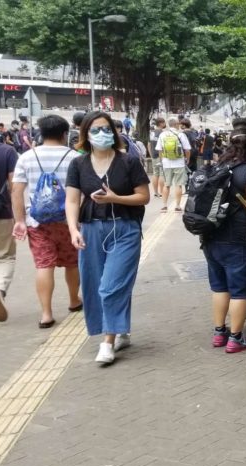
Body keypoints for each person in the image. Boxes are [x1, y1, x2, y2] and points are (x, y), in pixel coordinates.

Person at [65, 111, 151, 364]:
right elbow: (71, 200)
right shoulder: (78, 164)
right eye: (95, 130)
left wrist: (115, 198)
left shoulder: (128, 162)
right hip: (91, 229)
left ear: (114, 133)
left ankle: (108, 340)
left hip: (125, 229)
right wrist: (73, 229)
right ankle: (119, 326)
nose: (101, 134)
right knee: (93, 285)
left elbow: (144, 196)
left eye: (106, 129)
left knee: (111, 285)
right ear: (85, 135)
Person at [202, 126, 246, 353]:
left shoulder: (218, 167)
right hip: (237, 238)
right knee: (240, 290)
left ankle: (219, 333)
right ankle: (236, 338)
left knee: (220, 287)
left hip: (211, 235)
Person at [11, 115, 83, 329]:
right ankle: (73, 300)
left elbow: (17, 191)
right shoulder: (75, 157)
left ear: (41, 134)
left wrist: (20, 221)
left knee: (44, 265)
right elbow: (84, 192)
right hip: (68, 222)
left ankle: (46, 314)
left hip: (37, 222)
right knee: (72, 263)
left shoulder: (26, 157)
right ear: (64, 133)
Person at [0, 138, 18, 322]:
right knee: (5, 256)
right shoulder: (7, 152)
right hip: (0, 212)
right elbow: (14, 186)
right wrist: (19, 217)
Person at [156, 118, 191, 212]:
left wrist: (162, 160)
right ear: (176, 124)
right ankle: (178, 206)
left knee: (166, 185)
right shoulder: (181, 134)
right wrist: (187, 159)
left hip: (166, 163)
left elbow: (159, 150)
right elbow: (187, 150)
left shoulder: (162, 134)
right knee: (179, 185)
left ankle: (164, 206)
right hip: (179, 163)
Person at [148, 118, 166, 198]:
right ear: (161, 123)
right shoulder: (163, 133)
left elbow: (148, 144)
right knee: (162, 174)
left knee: (155, 174)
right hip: (161, 155)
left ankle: (156, 193)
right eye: (164, 122)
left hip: (154, 155)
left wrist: (151, 155)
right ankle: (162, 193)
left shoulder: (152, 133)